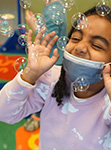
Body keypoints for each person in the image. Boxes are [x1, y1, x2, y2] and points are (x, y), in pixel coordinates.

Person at [0, 5, 111, 150]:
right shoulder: (51, 80)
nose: (80, 48)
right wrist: (30, 74)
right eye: (75, 38)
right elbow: (4, 113)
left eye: (97, 46)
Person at [23, 0, 67, 131]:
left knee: (41, 89)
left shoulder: (51, 9)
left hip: (50, 61)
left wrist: (33, 24)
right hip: (57, 58)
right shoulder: (56, 6)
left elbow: (47, 38)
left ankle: (37, 117)